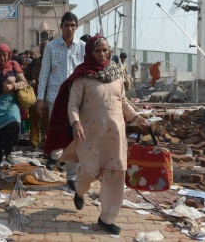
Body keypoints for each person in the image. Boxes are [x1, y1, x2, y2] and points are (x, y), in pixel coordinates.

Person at [47, 35, 148, 235]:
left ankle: (106, 218)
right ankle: (79, 192)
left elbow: (123, 103)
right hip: (90, 135)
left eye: (105, 50)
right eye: (98, 50)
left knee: (115, 173)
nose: (102, 54)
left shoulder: (116, 74)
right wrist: (75, 122)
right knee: (88, 173)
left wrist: (137, 118)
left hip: (115, 135)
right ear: (90, 52)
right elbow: (73, 103)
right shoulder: (82, 76)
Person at [37, 12, 85, 190]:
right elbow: (44, 74)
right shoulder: (51, 47)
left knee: (75, 137)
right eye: (67, 25)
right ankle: (55, 157)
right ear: (61, 27)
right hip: (55, 98)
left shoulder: (83, 47)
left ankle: (71, 176)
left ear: (76, 27)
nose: (70, 28)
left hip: (77, 99)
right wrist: (40, 99)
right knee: (57, 133)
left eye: (73, 25)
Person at [25, 40, 49, 151]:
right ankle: (34, 142)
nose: (43, 49)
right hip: (35, 94)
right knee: (35, 119)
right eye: (42, 47)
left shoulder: (54, 62)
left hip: (49, 94)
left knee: (47, 120)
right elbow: (26, 76)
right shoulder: (34, 63)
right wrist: (31, 82)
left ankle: (47, 142)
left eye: (46, 47)